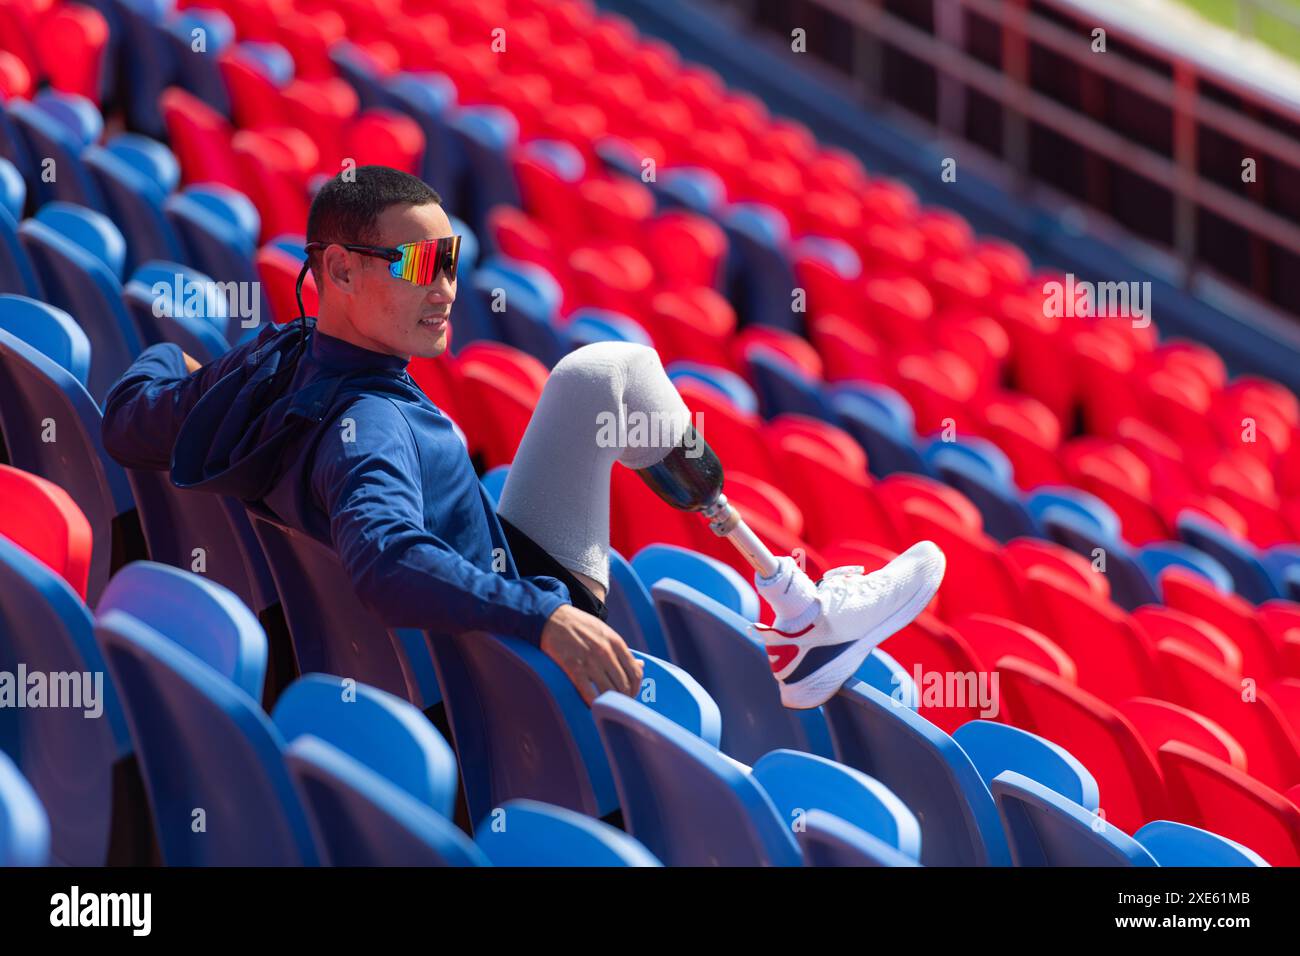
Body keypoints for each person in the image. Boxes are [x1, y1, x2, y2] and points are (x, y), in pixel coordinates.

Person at [101, 164, 944, 711]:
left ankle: (797, 603)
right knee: (606, 373)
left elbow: (126, 422)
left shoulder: (263, 369)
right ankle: (798, 607)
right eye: (417, 266)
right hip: (514, 655)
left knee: (595, 380)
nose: (446, 289)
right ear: (339, 273)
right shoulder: (373, 427)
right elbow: (384, 558)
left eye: (451, 260)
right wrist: (545, 618)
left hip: (447, 626)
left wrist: (167, 358)